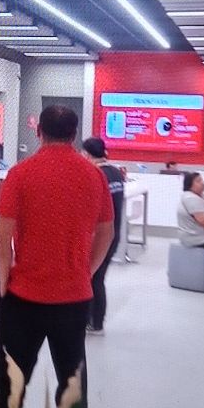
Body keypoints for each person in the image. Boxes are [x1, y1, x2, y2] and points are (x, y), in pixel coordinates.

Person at [0, 105, 114, 408]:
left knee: (11, 382)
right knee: (72, 382)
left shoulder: (20, 173)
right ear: (74, 134)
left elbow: (3, 236)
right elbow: (107, 232)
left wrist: (4, 280)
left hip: (23, 297)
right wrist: (86, 273)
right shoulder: (94, 176)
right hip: (73, 299)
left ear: (39, 131)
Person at [82, 137, 125, 334]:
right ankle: (95, 320)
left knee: (93, 279)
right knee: (98, 277)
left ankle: (94, 321)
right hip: (113, 233)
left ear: (87, 154)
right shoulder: (115, 173)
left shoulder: (95, 174)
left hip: (98, 236)